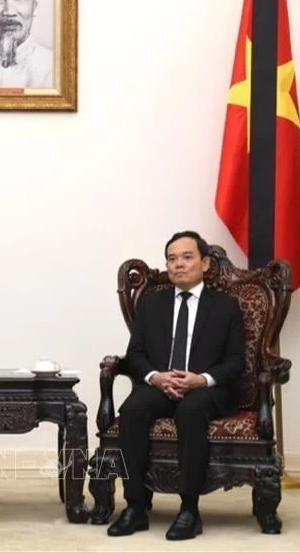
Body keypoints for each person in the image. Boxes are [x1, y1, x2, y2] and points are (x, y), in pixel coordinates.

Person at [107, 231, 245, 541]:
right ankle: (136, 506)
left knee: (191, 410)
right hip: (161, 385)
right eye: (172, 259)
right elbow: (135, 355)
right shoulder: (152, 304)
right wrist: (156, 377)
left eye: (186, 257)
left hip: (206, 389)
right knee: (132, 409)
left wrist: (201, 380)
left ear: (205, 263)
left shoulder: (226, 306)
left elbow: (236, 361)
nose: (178, 265)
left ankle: (189, 510)